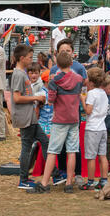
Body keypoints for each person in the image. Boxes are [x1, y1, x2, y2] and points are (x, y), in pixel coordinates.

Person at [27, 52, 83, 194]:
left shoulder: (54, 81)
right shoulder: (78, 79)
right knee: (72, 151)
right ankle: (69, 183)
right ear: (71, 63)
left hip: (60, 119)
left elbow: (51, 100)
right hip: (74, 118)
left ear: (57, 65)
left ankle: (45, 183)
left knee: (52, 151)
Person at [49, 38, 87, 186]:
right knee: (60, 145)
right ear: (58, 53)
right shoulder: (53, 70)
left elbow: (83, 86)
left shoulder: (79, 68)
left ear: (73, 53)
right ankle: (63, 172)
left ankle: (77, 173)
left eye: (68, 51)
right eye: (62, 51)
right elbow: (51, 89)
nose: (65, 53)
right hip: (59, 112)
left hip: (73, 110)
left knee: (73, 144)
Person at [10, 44, 48, 189]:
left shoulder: (22, 73)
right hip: (25, 116)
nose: (31, 60)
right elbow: (17, 98)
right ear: (22, 58)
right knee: (27, 147)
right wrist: (36, 98)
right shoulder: (19, 75)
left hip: (29, 116)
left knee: (44, 141)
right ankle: (23, 179)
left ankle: (54, 173)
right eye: (30, 57)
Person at [79, 67, 109, 190]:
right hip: (102, 128)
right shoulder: (104, 93)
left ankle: (90, 182)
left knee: (91, 157)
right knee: (103, 155)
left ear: (91, 82)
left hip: (93, 128)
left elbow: (88, 111)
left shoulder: (92, 94)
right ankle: (104, 180)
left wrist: (82, 100)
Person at [36, 70, 53, 136]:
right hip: (45, 126)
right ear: (47, 80)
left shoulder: (52, 92)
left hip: (50, 125)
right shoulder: (41, 94)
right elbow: (36, 111)